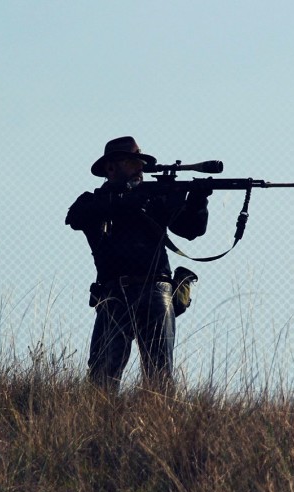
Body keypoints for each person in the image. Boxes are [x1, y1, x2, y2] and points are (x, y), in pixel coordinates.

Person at [65, 136, 211, 392]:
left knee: (160, 374)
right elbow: (76, 217)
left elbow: (190, 229)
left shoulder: (154, 199)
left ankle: (161, 425)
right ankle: (100, 425)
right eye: (132, 162)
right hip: (113, 292)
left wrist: (198, 201)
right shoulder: (95, 201)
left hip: (156, 289)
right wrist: (131, 199)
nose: (139, 168)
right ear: (111, 168)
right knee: (102, 375)